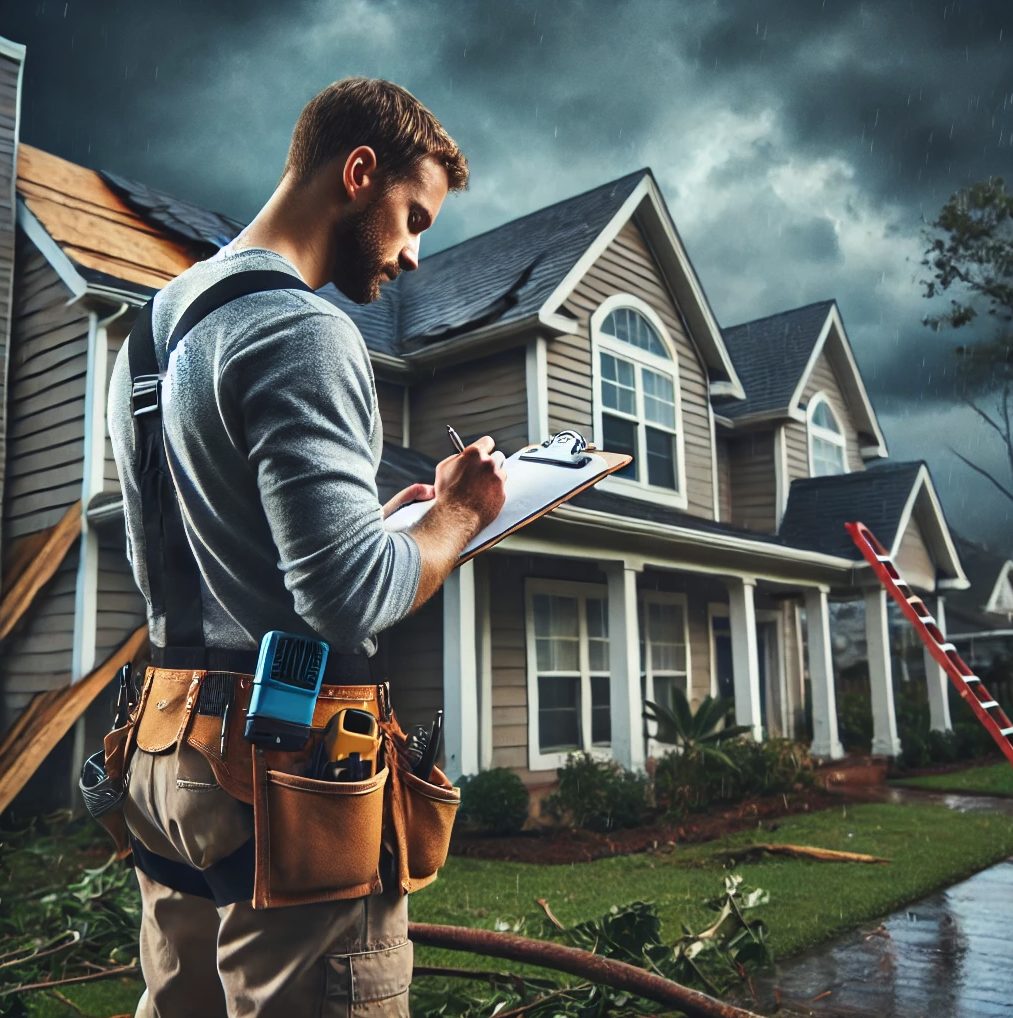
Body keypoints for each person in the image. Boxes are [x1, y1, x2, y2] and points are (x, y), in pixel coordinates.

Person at [107, 77, 507, 1018]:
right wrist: (457, 517)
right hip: (282, 773)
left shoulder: (155, 331)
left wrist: (375, 523)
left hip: (167, 751)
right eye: (413, 217)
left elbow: (189, 555)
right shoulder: (302, 328)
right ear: (358, 172)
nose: (413, 256)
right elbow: (345, 600)